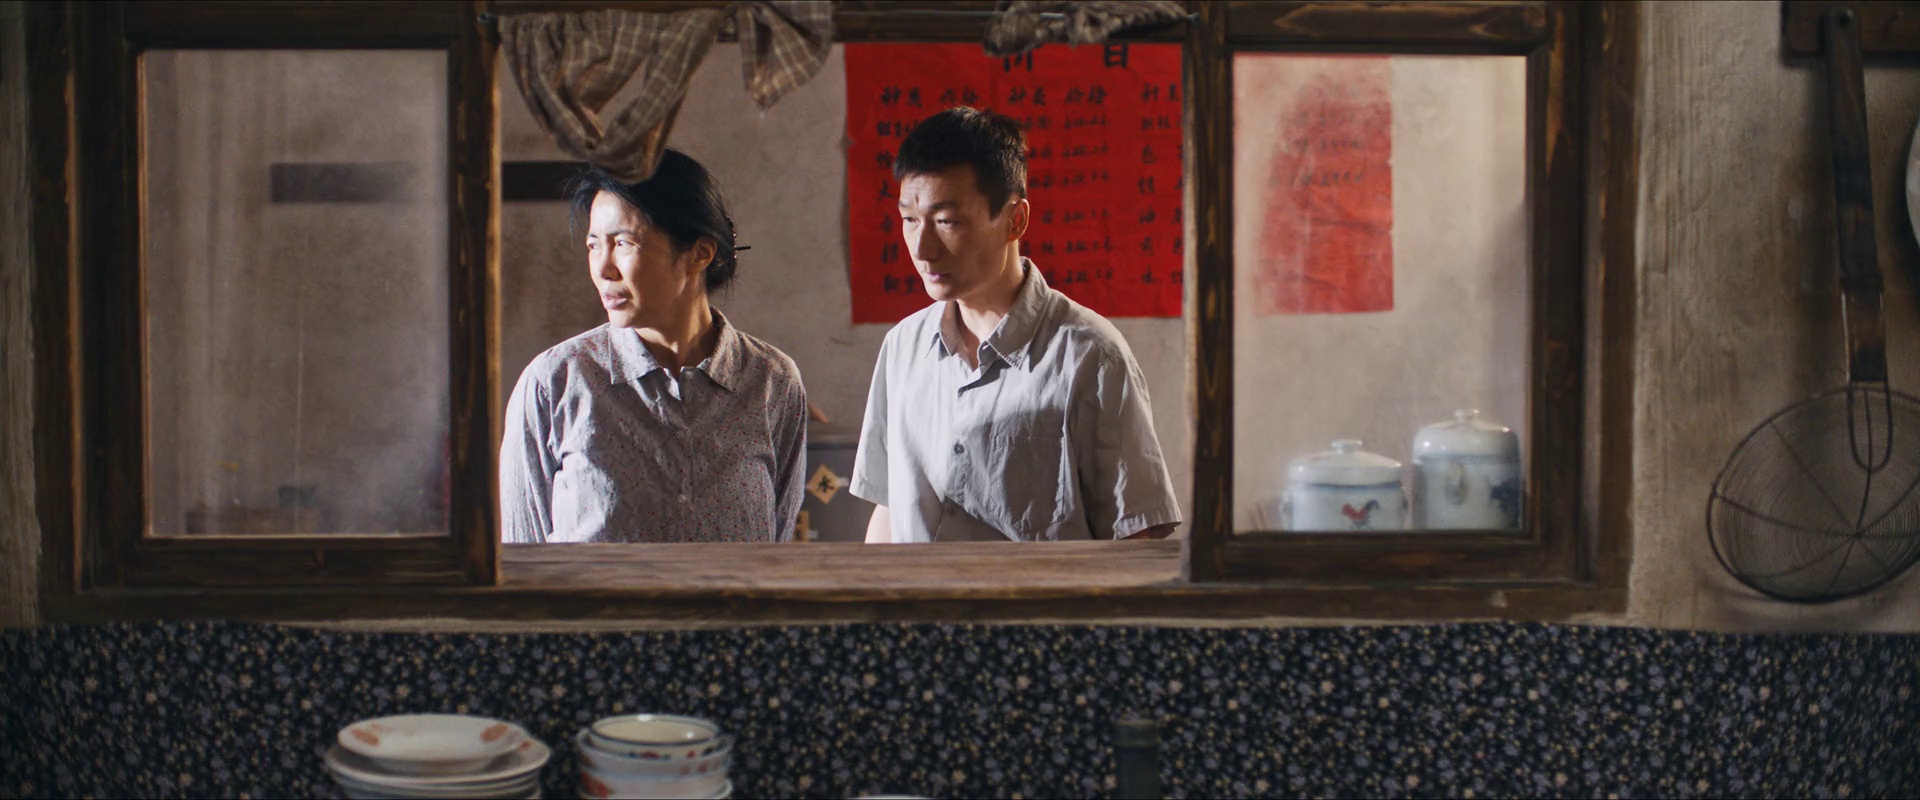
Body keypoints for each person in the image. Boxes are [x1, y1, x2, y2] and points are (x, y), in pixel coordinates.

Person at [851, 107, 1181, 543]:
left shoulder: (1090, 356)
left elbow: (1135, 534)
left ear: (1015, 220)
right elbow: (890, 508)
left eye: (947, 221)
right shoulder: (903, 347)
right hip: (914, 592)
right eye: (910, 219)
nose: (922, 248)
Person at [500, 151, 808, 543]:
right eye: (594, 245)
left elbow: (775, 542)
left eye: (623, 243)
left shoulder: (771, 382)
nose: (603, 268)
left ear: (700, 253)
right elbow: (522, 554)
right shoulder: (555, 382)